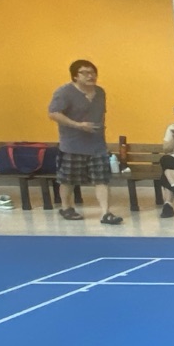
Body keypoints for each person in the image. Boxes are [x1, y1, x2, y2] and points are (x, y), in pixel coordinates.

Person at [47, 59, 122, 225]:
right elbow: (53, 113)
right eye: (85, 73)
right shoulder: (64, 92)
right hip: (72, 144)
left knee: (102, 179)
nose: (90, 76)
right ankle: (66, 207)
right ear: (75, 76)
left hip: (97, 144)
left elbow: (101, 113)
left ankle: (106, 213)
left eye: (93, 72)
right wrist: (78, 125)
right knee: (68, 179)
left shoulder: (100, 92)